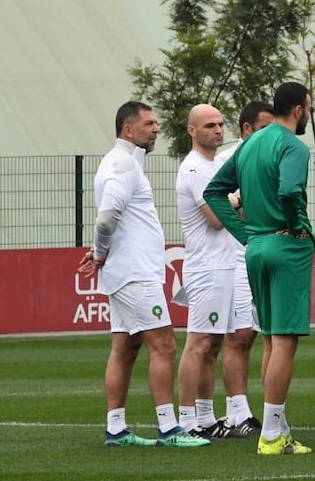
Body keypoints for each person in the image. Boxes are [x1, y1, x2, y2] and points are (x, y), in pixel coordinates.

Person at [80, 100, 208, 448]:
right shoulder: (122, 165)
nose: (156, 129)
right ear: (128, 129)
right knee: (164, 345)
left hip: (128, 270)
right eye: (150, 124)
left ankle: (116, 428)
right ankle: (169, 428)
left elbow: (112, 222)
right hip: (135, 274)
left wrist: (100, 250)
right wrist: (102, 250)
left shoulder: (123, 162)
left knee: (125, 347)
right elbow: (106, 218)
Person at [204, 81, 315, 455]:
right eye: (309, 108)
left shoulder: (250, 143)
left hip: (256, 246)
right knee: (284, 340)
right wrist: (296, 224)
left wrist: (245, 233)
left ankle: (278, 430)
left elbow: (214, 192)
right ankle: (270, 435)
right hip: (287, 246)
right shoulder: (293, 146)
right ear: (299, 109)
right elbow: (289, 191)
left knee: (270, 336)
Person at [174, 104, 250, 439]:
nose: (217, 130)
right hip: (207, 267)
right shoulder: (195, 169)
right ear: (192, 131)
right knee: (199, 342)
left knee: (214, 343)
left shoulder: (212, 165)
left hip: (223, 264)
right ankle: (187, 419)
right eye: (209, 125)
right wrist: (239, 199)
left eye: (220, 124)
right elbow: (216, 219)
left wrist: (233, 200)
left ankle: (206, 417)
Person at [203, 100, 271, 438]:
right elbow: (220, 208)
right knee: (238, 334)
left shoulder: (271, 155)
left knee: (252, 333)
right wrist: (246, 206)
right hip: (232, 256)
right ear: (246, 130)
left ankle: (235, 413)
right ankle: (238, 412)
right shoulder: (229, 160)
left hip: (258, 253)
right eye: (262, 129)